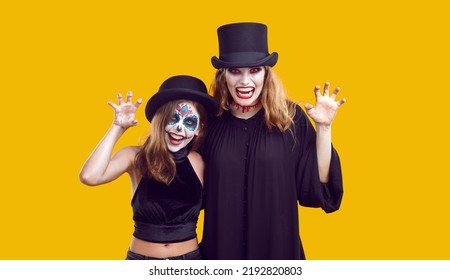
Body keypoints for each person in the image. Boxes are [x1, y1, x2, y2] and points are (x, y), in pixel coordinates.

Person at [199, 22, 346, 259]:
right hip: (220, 255)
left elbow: (316, 183)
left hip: (278, 255)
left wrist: (324, 129)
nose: (245, 81)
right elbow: (187, 185)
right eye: (235, 71)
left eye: (254, 70)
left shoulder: (290, 119)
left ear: (267, 73)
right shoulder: (211, 122)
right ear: (223, 75)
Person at [79, 75, 218, 260]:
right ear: (158, 120)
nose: (179, 128)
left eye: (189, 122)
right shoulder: (135, 157)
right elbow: (90, 176)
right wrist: (117, 127)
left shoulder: (200, 162)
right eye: (172, 118)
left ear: (199, 129)